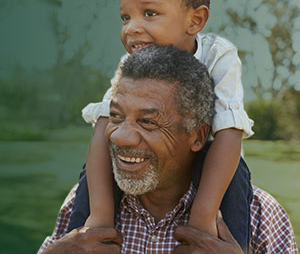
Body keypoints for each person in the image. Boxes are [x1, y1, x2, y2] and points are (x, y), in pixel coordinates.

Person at [38, 46, 298, 254]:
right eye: (115, 117)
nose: (121, 137)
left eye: (148, 121)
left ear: (197, 137)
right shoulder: (84, 203)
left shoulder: (259, 214)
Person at [76, 0, 255, 252]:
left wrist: (201, 220)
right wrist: (99, 217)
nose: (132, 28)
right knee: (92, 168)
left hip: (208, 160)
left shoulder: (218, 55)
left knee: (237, 174)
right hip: (150, 162)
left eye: (149, 13)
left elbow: (229, 131)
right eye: (125, 17)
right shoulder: (130, 64)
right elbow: (104, 124)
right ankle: (82, 241)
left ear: (195, 20)